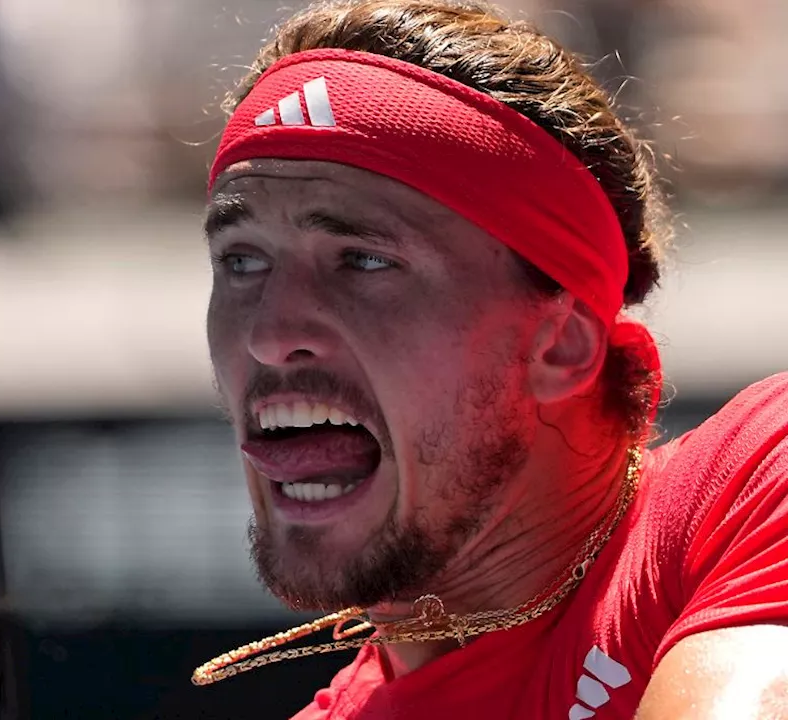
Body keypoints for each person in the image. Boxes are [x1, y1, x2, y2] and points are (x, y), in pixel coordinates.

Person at [195, 1, 788, 717]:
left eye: (364, 260)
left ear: (560, 344)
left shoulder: (755, 480)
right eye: (241, 261)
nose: (268, 333)